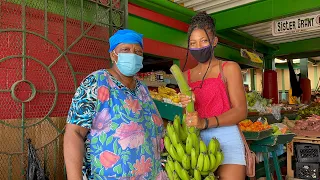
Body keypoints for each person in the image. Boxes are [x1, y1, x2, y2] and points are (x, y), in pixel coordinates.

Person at [64, 29, 166, 180]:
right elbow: (74, 133)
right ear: (113, 55)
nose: (133, 54)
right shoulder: (96, 82)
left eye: (138, 52)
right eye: (126, 49)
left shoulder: (142, 89)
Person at [180, 12, 247, 180]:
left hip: (227, 137)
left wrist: (205, 122)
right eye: (193, 43)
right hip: (196, 141)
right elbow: (187, 117)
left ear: (214, 41)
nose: (199, 46)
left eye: (204, 41)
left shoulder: (229, 68)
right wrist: (186, 106)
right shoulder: (185, 76)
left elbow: (240, 111)